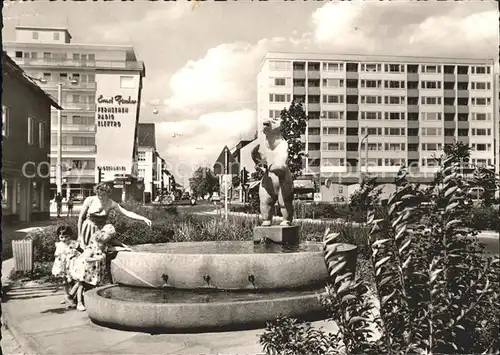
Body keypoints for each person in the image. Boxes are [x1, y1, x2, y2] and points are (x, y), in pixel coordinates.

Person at [69, 224, 128, 311]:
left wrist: (125, 249)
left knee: (88, 285)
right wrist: (97, 258)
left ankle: (74, 297)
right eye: (102, 243)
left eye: (105, 244)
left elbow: (113, 249)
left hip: (92, 271)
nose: (104, 246)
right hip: (85, 269)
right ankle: (79, 302)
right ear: (97, 241)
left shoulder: (102, 247)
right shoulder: (91, 248)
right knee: (81, 285)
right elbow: (87, 258)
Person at [77, 182, 152, 248]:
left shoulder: (111, 203)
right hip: (87, 229)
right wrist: (79, 236)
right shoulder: (90, 200)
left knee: (101, 251)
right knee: (86, 251)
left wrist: (143, 218)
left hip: (100, 231)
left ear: (107, 194)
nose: (100, 197)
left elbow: (126, 212)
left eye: (103, 195)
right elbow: (81, 218)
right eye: (98, 194)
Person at [51, 225, 80, 308]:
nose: (64, 239)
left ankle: (72, 295)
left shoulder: (73, 243)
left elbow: (77, 251)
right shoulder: (60, 245)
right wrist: (60, 255)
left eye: (66, 237)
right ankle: (66, 294)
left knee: (72, 280)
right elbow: (56, 254)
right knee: (64, 281)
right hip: (63, 264)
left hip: (71, 263)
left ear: (70, 236)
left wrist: (74, 253)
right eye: (61, 237)